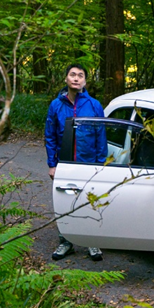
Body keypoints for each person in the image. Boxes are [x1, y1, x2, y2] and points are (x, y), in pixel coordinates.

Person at [45, 63, 107, 262]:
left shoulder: (94, 105)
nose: (76, 78)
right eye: (72, 74)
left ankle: (92, 241)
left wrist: (100, 165)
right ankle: (66, 241)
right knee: (64, 202)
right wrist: (52, 164)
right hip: (65, 164)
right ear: (66, 79)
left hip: (88, 163)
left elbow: (101, 136)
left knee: (89, 201)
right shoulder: (56, 105)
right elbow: (50, 136)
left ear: (85, 82)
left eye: (80, 75)